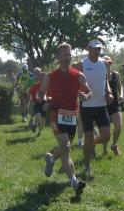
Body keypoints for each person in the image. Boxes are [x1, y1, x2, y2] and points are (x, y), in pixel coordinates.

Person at [39, 43, 92, 194]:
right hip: (56, 114)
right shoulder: (50, 76)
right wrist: (45, 99)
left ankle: (51, 159)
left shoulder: (78, 75)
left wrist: (85, 96)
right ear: (58, 56)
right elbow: (40, 93)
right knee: (66, 147)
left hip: (71, 115)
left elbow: (89, 92)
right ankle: (74, 182)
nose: (68, 57)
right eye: (65, 54)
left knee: (64, 147)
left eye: (69, 54)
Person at [80, 40, 112, 178]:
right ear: (88, 49)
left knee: (106, 136)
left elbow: (105, 81)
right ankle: (87, 167)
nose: (97, 51)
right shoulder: (82, 64)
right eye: (94, 48)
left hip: (101, 105)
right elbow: (75, 81)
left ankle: (90, 145)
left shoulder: (104, 63)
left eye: (99, 49)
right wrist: (79, 94)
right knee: (87, 137)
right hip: (87, 106)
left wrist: (109, 92)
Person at [99, 56, 124, 155]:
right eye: (105, 63)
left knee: (118, 126)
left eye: (109, 63)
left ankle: (114, 145)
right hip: (103, 105)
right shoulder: (99, 75)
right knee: (105, 130)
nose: (107, 64)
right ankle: (104, 150)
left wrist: (121, 94)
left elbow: (120, 87)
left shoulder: (115, 74)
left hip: (114, 104)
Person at [28, 72, 47, 137]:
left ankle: (39, 132)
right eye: (41, 78)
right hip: (37, 103)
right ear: (39, 78)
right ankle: (34, 124)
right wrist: (31, 101)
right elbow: (30, 94)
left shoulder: (48, 86)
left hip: (45, 104)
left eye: (44, 79)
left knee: (43, 121)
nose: (42, 80)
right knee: (38, 115)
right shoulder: (35, 86)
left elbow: (51, 95)